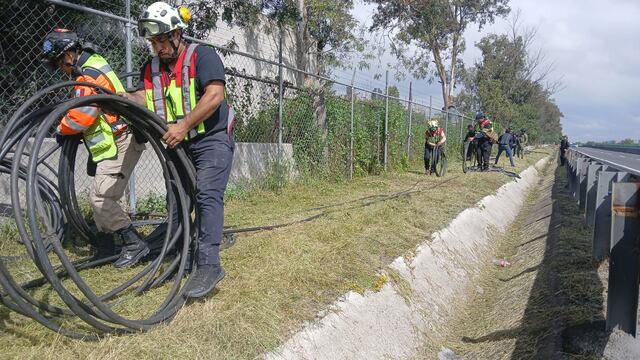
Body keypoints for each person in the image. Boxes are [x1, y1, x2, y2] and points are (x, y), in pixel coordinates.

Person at [128, 2, 235, 298]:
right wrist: (119, 97)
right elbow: (141, 97)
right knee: (177, 199)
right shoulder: (150, 69)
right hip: (180, 142)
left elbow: (214, 96)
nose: (158, 47)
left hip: (211, 138)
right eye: (153, 42)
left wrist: (184, 125)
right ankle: (179, 253)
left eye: (162, 40)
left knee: (206, 193)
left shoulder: (203, 56)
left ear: (177, 34)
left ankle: (209, 264)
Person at [41, 29, 147, 267]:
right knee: (100, 195)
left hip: (122, 139)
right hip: (114, 141)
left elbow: (82, 115)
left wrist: (61, 128)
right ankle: (107, 247)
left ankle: (134, 243)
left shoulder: (87, 74)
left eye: (59, 62)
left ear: (69, 53)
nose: (60, 68)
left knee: (101, 198)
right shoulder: (89, 65)